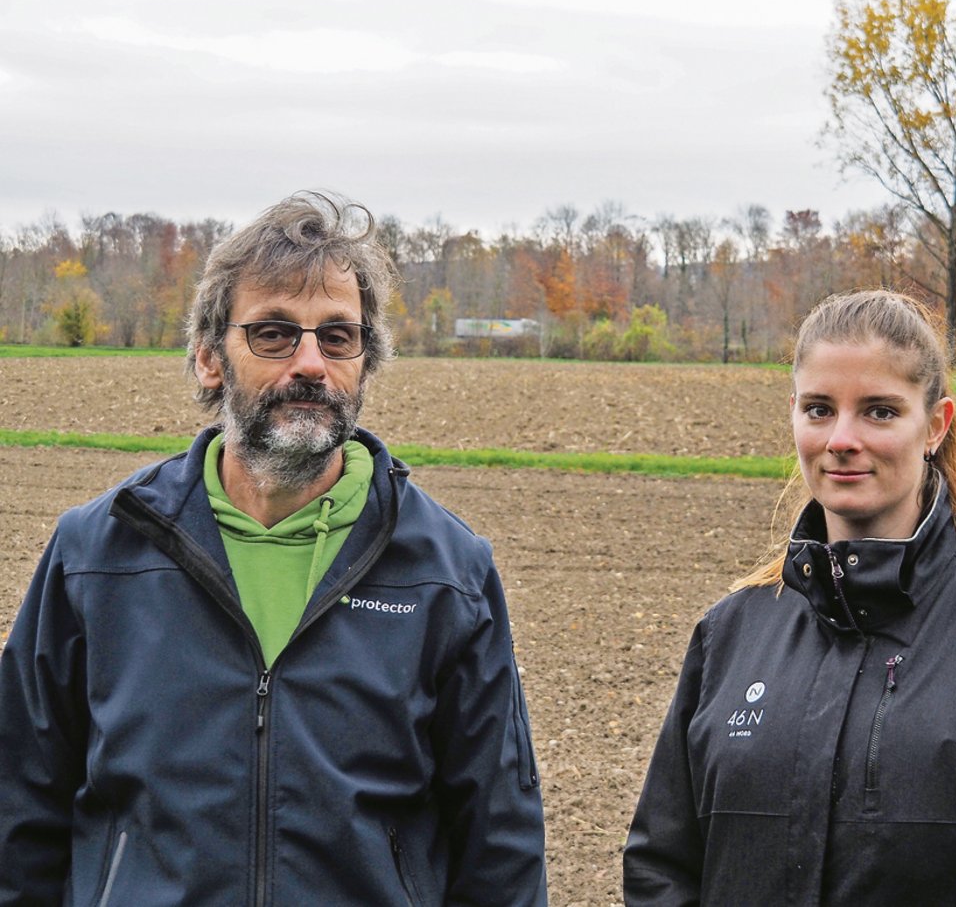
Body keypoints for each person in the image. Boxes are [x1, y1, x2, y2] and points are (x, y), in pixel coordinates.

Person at [0, 192, 547, 905]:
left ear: (364, 363)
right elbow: (19, 813)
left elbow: (498, 846)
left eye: (338, 337)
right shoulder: (99, 556)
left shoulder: (446, 575)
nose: (312, 364)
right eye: (275, 334)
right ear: (208, 360)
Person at [623, 290, 956, 905]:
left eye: (880, 411)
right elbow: (661, 867)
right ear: (793, 413)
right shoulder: (733, 632)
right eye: (819, 409)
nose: (842, 438)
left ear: (935, 425)